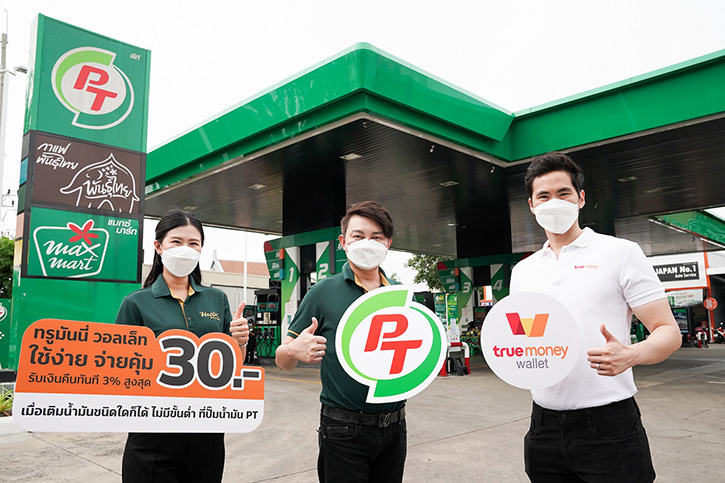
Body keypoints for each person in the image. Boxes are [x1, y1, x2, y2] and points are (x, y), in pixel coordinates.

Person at [509, 152, 681, 483]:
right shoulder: (523, 271)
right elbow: (525, 336)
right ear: (531, 205)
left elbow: (667, 331)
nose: (553, 203)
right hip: (543, 427)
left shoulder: (620, 253)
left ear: (580, 198)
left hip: (610, 426)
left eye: (563, 193)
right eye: (543, 196)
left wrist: (632, 354)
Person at [275, 200, 406, 483]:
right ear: (343, 242)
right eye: (358, 236)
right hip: (344, 430)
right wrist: (292, 351)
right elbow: (282, 361)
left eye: (377, 237)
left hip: (395, 427)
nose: (367, 243)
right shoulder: (322, 293)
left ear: (388, 243)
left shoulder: (402, 296)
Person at [115, 209, 249, 483]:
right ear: (158, 246)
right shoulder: (136, 303)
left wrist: (239, 341)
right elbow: (120, 367)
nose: (185, 250)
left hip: (207, 430)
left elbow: (234, 365)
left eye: (193, 243)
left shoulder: (217, 300)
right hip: (153, 431)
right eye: (176, 242)